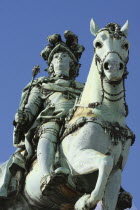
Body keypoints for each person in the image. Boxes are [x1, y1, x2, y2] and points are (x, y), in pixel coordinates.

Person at [0, 31, 85, 197]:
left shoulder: (84, 88)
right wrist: (24, 115)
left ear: (72, 65)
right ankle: (46, 176)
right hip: (52, 119)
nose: (61, 61)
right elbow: (32, 107)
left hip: (78, 121)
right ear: (51, 65)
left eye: (65, 58)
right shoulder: (41, 85)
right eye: (57, 58)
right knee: (49, 129)